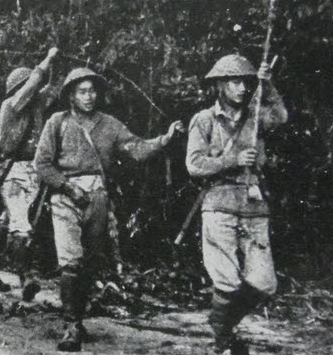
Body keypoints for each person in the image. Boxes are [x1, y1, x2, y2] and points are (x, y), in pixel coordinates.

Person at [34, 67, 183, 352]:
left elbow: (137, 149)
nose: (88, 96)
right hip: (65, 198)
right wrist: (66, 186)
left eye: (92, 91)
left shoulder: (110, 124)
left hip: (98, 198)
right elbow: (42, 164)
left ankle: (79, 315)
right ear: (71, 96)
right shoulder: (57, 122)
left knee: (90, 263)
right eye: (82, 91)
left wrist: (166, 139)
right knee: (70, 261)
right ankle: (71, 325)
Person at [186, 54, 287, 355]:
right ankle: (223, 343)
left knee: (264, 283)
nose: (242, 88)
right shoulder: (204, 120)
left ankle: (221, 324)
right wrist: (233, 159)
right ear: (220, 85)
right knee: (227, 282)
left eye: (246, 82)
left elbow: (280, 117)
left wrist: (268, 85)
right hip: (219, 205)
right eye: (234, 82)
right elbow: (194, 164)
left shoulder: (255, 118)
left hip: (254, 206)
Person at [0, 48, 60, 300]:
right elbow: (35, 83)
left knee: (9, 220)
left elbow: (52, 88)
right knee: (19, 225)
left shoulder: (35, 105)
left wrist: (56, 64)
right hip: (12, 171)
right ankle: (26, 277)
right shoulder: (11, 106)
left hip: (32, 170)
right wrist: (47, 59)